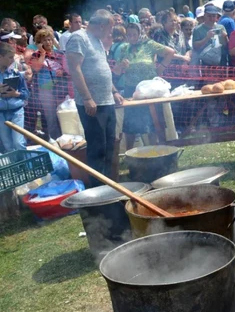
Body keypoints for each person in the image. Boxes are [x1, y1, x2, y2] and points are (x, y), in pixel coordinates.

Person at [65, 10, 122, 187]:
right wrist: (88, 98)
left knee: (109, 146)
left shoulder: (97, 40)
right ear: (102, 25)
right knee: (97, 148)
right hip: (92, 104)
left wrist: (114, 91)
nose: (111, 32)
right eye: (110, 27)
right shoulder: (78, 38)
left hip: (107, 102)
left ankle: (109, 184)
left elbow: (102, 68)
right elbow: (75, 69)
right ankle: (98, 188)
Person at [113, 23, 175, 149]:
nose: (131, 37)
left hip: (149, 90)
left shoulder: (149, 45)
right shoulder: (124, 48)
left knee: (153, 124)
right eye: (129, 35)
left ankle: (157, 151)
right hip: (132, 91)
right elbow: (116, 72)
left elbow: (170, 52)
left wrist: (160, 70)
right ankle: (130, 154)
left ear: (140, 33)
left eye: (134, 34)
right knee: (130, 127)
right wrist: (121, 66)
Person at [0, 42, 30, 151]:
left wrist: (15, 94)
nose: (12, 60)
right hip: (1, 114)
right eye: (9, 57)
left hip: (16, 111)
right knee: (7, 144)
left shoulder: (16, 73)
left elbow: (26, 94)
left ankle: (26, 166)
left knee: (18, 142)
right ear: (0, 57)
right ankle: (16, 167)